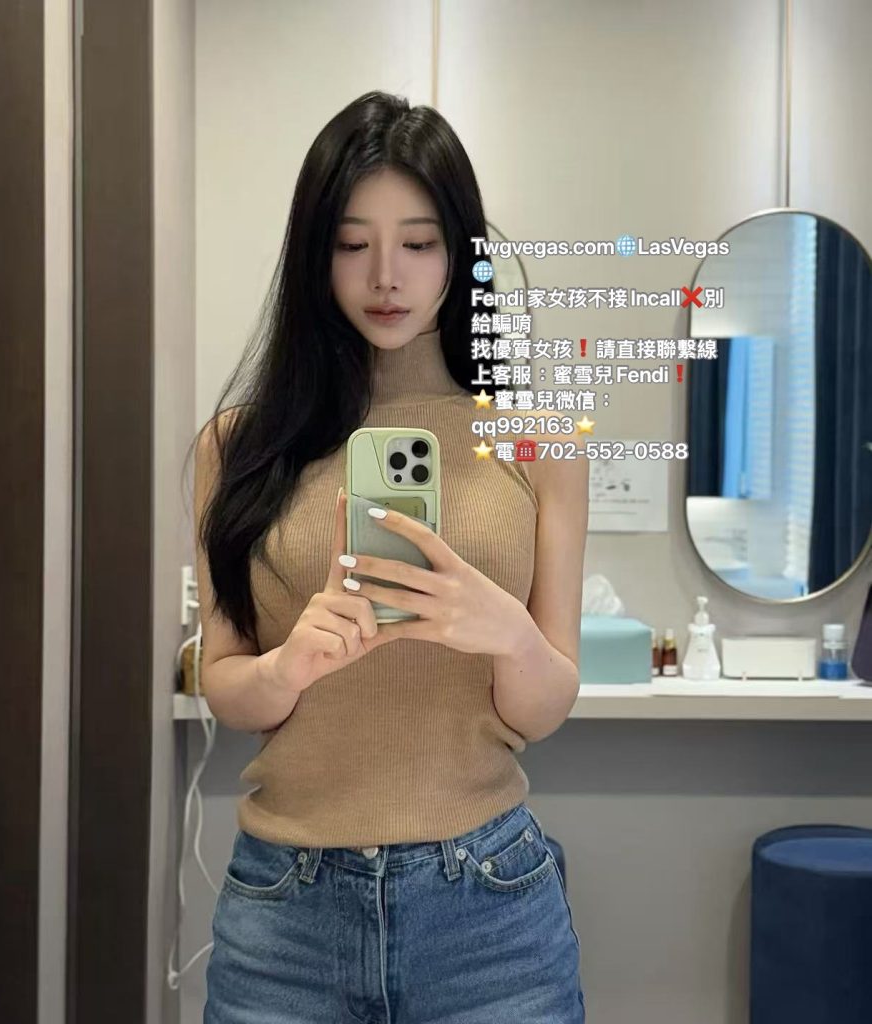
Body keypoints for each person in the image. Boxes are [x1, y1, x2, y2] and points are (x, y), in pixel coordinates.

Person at [189, 90, 588, 1023]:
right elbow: (227, 686)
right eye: (350, 242)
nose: (385, 276)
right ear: (313, 253)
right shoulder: (238, 445)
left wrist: (506, 634)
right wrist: (290, 666)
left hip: (490, 907)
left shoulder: (541, 440)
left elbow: (544, 708)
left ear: (460, 252)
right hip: (285, 912)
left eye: (417, 242)